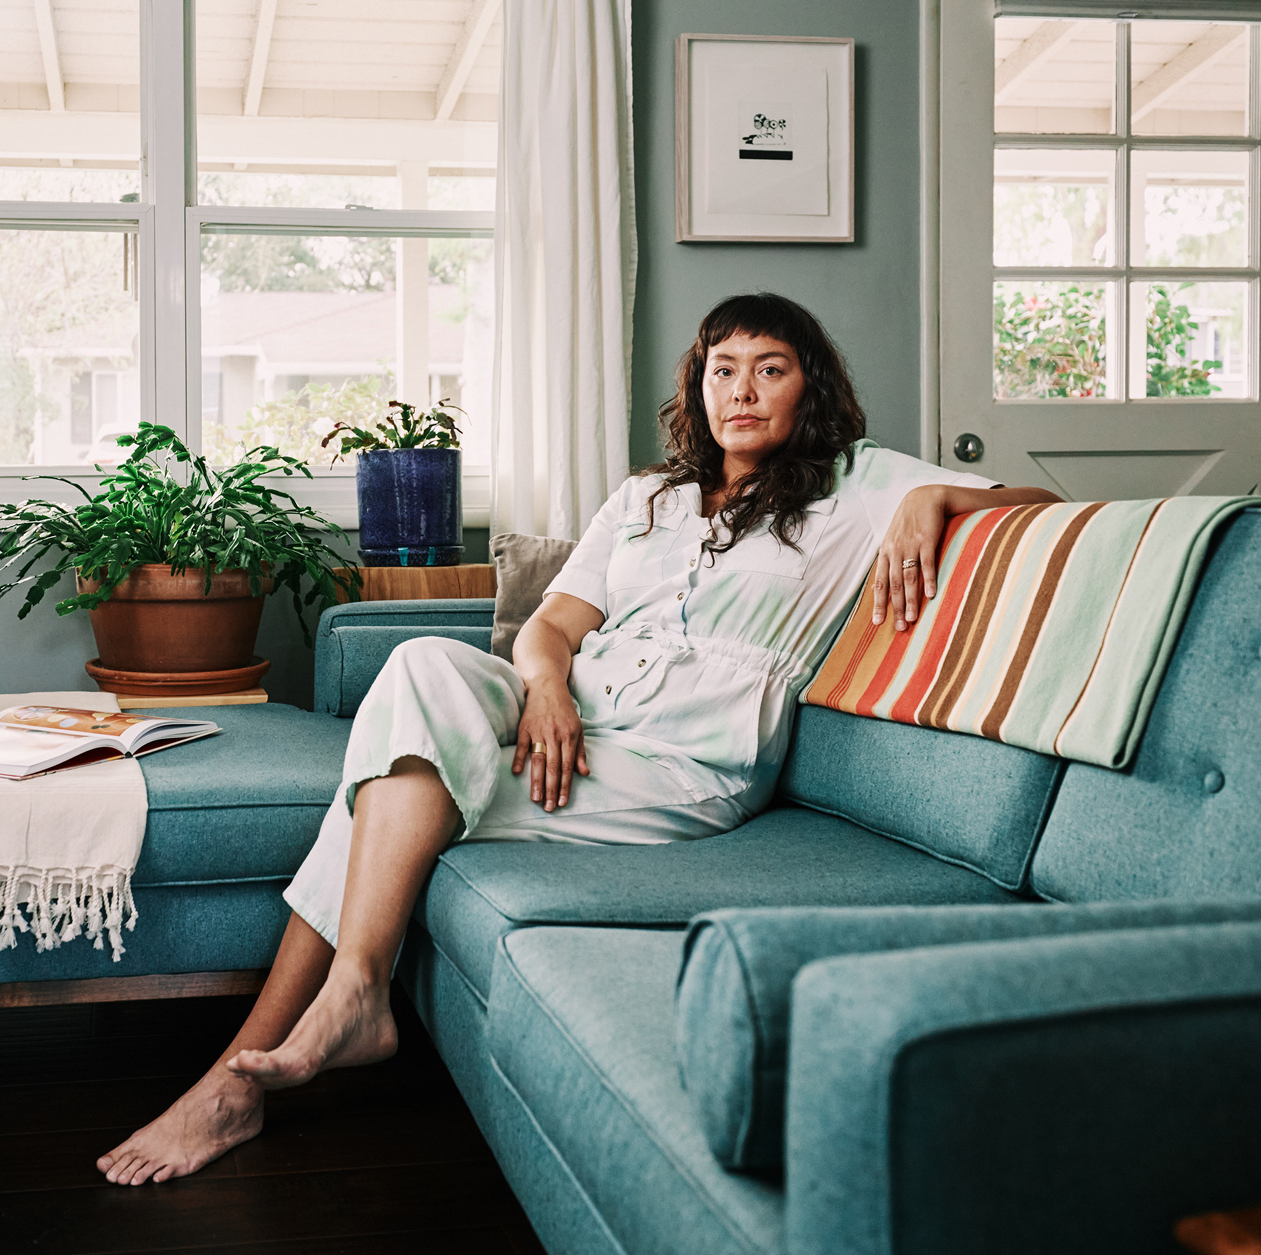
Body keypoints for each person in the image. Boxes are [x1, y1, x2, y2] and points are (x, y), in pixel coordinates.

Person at [98, 292, 1062, 1186]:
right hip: (566, 721)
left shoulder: (862, 484)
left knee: (385, 807)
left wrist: (934, 502)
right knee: (426, 667)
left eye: (770, 368)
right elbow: (554, 626)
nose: (741, 390)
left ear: (813, 385)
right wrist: (546, 689)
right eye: (723, 368)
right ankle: (344, 1002)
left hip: (681, 763)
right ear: (698, 383)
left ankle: (242, 1078)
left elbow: (1040, 505)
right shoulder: (648, 498)